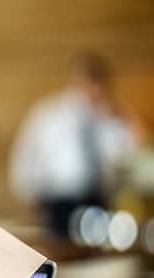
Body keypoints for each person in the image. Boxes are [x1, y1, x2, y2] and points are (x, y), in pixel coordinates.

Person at [9, 52, 135, 238]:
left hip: (99, 200)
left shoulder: (111, 120)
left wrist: (114, 118)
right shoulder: (49, 113)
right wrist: (27, 192)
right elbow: (27, 154)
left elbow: (124, 158)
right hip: (59, 201)